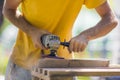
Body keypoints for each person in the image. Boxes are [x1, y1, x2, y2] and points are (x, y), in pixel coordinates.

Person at [3, 0, 118, 80]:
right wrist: (32, 31)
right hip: (24, 66)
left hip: (62, 69)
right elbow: (8, 9)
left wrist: (85, 36)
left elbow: (110, 19)